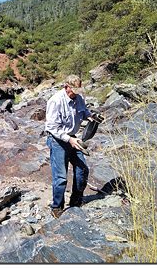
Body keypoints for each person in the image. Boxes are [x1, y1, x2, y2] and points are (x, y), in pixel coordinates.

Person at [45, 75, 99, 219]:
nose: (75, 93)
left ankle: (75, 201)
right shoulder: (55, 101)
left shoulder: (79, 98)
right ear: (66, 87)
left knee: (82, 169)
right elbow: (51, 127)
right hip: (58, 140)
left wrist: (89, 116)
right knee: (61, 177)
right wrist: (69, 139)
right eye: (73, 90)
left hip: (72, 139)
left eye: (77, 90)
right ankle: (57, 206)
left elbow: (83, 111)